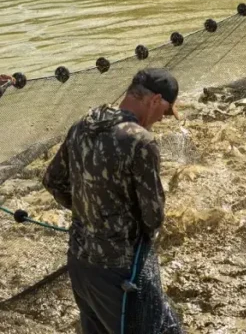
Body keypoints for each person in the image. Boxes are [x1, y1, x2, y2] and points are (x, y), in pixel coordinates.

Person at [42, 68, 182, 334]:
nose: (162, 119)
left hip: (80, 262)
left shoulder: (82, 126)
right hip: (119, 272)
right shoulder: (141, 142)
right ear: (155, 100)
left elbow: (52, 180)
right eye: (165, 112)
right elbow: (153, 216)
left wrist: (89, 211)